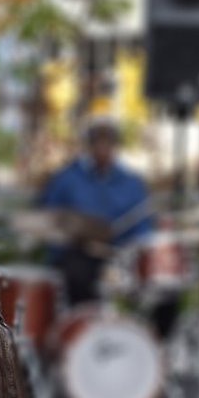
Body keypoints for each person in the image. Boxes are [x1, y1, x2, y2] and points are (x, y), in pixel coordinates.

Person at [40, 117, 153, 305]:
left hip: (120, 256)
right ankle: (85, 324)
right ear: (90, 145)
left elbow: (143, 225)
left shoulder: (132, 183)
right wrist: (67, 241)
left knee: (159, 284)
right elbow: (50, 219)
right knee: (78, 274)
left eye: (108, 142)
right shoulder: (67, 179)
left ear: (115, 146)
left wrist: (135, 251)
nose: (103, 147)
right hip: (79, 254)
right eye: (98, 141)